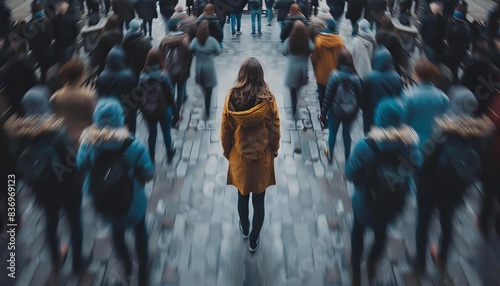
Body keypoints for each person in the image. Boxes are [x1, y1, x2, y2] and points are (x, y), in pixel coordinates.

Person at [5, 86, 89, 275]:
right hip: (68, 189)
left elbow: (20, 166)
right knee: (75, 223)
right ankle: (78, 263)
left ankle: (55, 259)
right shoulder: (57, 131)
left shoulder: (19, 134)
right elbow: (72, 162)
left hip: (43, 190)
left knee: (51, 223)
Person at [77, 97, 155, 286]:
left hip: (106, 201)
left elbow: (80, 166)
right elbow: (149, 172)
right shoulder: (133, 144)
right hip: (132, 199)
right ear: (119, 118)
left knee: (117, 233)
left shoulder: (87, 144)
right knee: (140, 231)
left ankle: (127, 264)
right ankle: (143, 271)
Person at [346, 99, 419, 286]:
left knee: (358, 230)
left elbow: (350, 174)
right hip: (391, 203)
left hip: (365, 200)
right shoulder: (410, 146)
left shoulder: (366, 145)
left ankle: (355, 269)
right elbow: (414, 169)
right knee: (381, 233)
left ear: (379, 118)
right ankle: (372, 264)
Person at [415, 98, 493, 274]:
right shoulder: (477, 140)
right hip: (454, 192)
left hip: (429, 190)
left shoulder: (440, 136)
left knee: (423, 223)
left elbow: (425, 163)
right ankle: (442, 259)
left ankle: (420, 262)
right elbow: (477, 171)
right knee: (447, 223)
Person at [220, 57, 280, 252]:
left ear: (241, 75)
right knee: (259, 201)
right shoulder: (268, 100)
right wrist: (275, 149)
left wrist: (228, 152)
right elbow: (275, 128)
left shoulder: (231, 99)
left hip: (240, 158)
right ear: (260, 76)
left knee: (242, 195)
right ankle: (254, 238)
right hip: (262, 157)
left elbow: (225, 130)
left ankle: (245, 228)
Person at [320, 49, 362, 163]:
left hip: (335, 111)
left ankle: (330, 156)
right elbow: (359, 98)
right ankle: (347, 158)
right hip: (351, 112)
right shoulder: (356, 78)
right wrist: (357, 110)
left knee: (332, 132)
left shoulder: (334, 76)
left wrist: (323, 114)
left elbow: (327, 98)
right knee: (346, 134)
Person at [138, 49, 177, 163]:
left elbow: (139, 97)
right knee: (166, 132)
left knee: (152, 133)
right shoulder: (164, 76)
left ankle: (151, 156)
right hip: (163, 109)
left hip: (148, 111)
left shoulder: (141, 77)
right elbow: (171, 96)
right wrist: (175, 113)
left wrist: (143, 110)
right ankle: (169, 153)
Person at [50, 58, 96, 149]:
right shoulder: (88, 96)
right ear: (81, 75)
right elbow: (93, 119)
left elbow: (54, 119)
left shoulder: (56, 96)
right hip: (84, 141)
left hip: (64, 142)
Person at [404, 59, 450, 147]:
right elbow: (446, 120)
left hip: (414, 142)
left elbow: (404, 120)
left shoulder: (408, 95)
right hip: (435, 143)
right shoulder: (442, 97)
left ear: (416, 74)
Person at [361, 47, 403, 134]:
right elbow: (400, 96)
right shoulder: (396, 77)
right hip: (389, 113)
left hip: (371, 113)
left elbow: (363, 99)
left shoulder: (370, 77)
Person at [96, 46, 138, 132]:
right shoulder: (129, 75)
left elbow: (100, 95)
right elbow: (136, 94)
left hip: (110, 112)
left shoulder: (102, 76)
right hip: (128, 110)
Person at [160, 22, 193, 125]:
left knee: (170, 92)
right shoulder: (185, 39)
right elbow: (189, 57)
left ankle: (170, 112)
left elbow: (160, 55)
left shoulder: (164, 40)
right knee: (180, 91)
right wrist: (188, 70)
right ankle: (177, 113)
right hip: (182, 71)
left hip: (168, 71)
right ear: (178, 26)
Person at [281, 21, 314, 116]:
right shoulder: (307, 40)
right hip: (303, 69)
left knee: (292, 90)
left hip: (292, 70)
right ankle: (297, 97)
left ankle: (294, 108)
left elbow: (283, 51)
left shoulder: (290, 40)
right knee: (298, 86)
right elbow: (312, 48)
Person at [189, 20, 221, 117]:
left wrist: (196, 53)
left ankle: (205, 98)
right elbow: (218, 51)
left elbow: (190, 49)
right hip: (209, 69)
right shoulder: (212, 41)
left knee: (203, 86)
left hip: (199, 68)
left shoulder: (195, 40)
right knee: (209, 89)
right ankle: (207, 108)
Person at [312, 20, 345, 107]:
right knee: (333, 94)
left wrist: (315, 70)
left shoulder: (319, 41)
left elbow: (314, 58)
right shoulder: (340, 42)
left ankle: (323, 114)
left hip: (321, 74)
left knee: (322, 94)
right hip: (335, 74)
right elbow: (343, 58)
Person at [0, 44, 38, 116]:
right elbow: (32, 76)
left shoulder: (3, 71)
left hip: (17, 100)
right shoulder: (24, 61)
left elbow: (6, 89)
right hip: (32, 91)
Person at [27, 1, 54, 83]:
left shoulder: (30, 24)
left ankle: (44, 83)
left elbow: (30, 41)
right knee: (48, 69)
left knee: (44, 70)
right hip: (47, 50)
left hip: (39, 53)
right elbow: (49, 35)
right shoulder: (46, 20)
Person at [445, 8, 472, 82]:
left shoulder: (454, 27)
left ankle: (450, 79)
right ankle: (455, 79)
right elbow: (468, 42)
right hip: (460, 52)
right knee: (456, 67)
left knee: (450, 66)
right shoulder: (467, 28)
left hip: (452, 51)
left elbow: (449, 38)